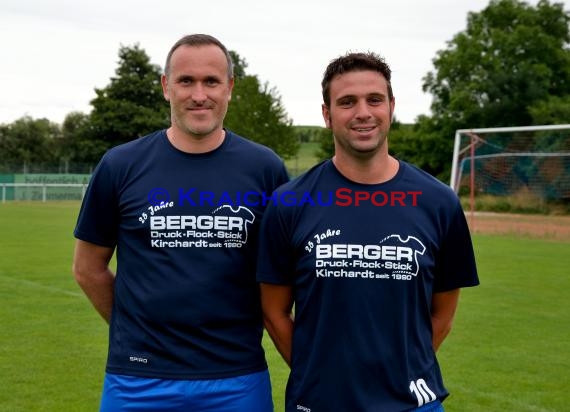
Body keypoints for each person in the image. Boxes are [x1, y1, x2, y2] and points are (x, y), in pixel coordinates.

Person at [72, 33, 288, 411]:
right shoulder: (120, 165)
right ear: (166, 86)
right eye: (186, 81)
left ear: (230, 88)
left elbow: (285, 275)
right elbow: (88, 268)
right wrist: (136, 334)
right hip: (137, 381)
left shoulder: (264, 168)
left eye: (211, 81)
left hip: (236, 380)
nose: (199, 94)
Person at [256, 52, 479, 412]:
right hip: (318, 402)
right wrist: (320, 374)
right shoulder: (289, 203)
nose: (363, 112)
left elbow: (443, 315)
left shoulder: (438, 202)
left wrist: (399, 372)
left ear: (391, 107)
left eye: (374, 99)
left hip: (413, 403)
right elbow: (274, 312)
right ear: (327, 115)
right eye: (347, 102)